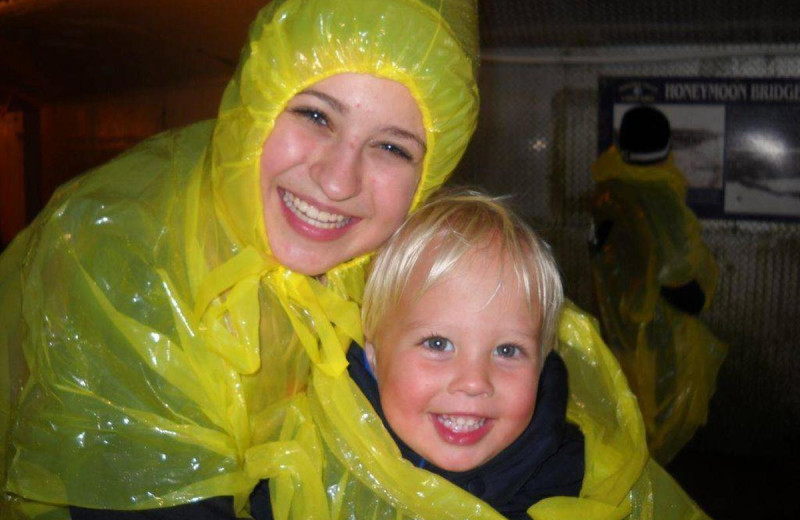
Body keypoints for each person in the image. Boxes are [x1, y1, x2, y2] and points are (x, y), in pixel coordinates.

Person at [0, 0, 479, 517]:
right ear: (255, 106)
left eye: (391, 149)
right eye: (316, 115)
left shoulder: (387, 263)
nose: (338, 181)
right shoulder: (114, 251)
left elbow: (519, 345)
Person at [352, 190, 584, 518]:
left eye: (507, 350)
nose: (474, 382)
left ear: (542, 363)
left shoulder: (566, 478)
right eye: (437, 344)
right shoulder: (324, 457)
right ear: (373, 355)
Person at [589, 105, 728, 464]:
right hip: (660, 342)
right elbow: (676, 277)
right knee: (658, 431)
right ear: (667, 147)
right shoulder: (658, 198)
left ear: (621, 144)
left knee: (626, 421)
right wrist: (698, 297)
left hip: (619, 334)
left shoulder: (608, 191)